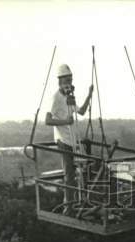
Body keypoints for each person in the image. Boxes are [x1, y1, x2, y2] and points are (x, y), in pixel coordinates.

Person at [45, 64, 93, 213]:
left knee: (79, 172)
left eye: (70, 80)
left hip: (73, 141)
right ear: (60, 81)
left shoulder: (69, 97)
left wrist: (89, 95)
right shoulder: (56, 98)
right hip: (63, 141)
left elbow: (82, 112)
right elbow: (48, 120)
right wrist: (65, 121)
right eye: (66, 79)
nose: (69, 83)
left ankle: (78, 203)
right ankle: (69, 207)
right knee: (69, 174)